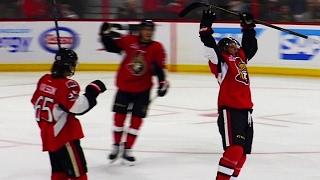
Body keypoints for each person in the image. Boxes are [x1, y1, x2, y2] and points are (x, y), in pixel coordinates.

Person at [99, 20, 169, 164]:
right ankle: (116, 146)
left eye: (151, 30)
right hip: (124, 87)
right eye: (145, 29)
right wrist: (104, 35)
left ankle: (128, 149)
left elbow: (158, 68)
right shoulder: (129, 40)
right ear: (140, 30)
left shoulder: (157, 47)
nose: (148, 32)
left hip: (143, 90)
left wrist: (162, 82)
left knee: (136, 122)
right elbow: (112, 47)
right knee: (119, 119)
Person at [199, 9, 258, 180]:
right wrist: (206, 27)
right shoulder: (221, 62)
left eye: (235, 44)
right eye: (230, 45)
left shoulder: (240, 59)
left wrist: (247, 26)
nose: (234, 47)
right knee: (235, 148)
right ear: (224, 48)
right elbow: (209, 45)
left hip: (246, 110)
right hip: (230, 110)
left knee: (243, 153)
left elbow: (250, 46)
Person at [31, 48, 106, 180]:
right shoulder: (67, 85)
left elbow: (36, 101)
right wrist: (92, 91)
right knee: (78, 174)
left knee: (59, 172)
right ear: (69, 66)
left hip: (49, 136)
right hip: (64, 137)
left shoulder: (44, 80)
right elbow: (78, 107)